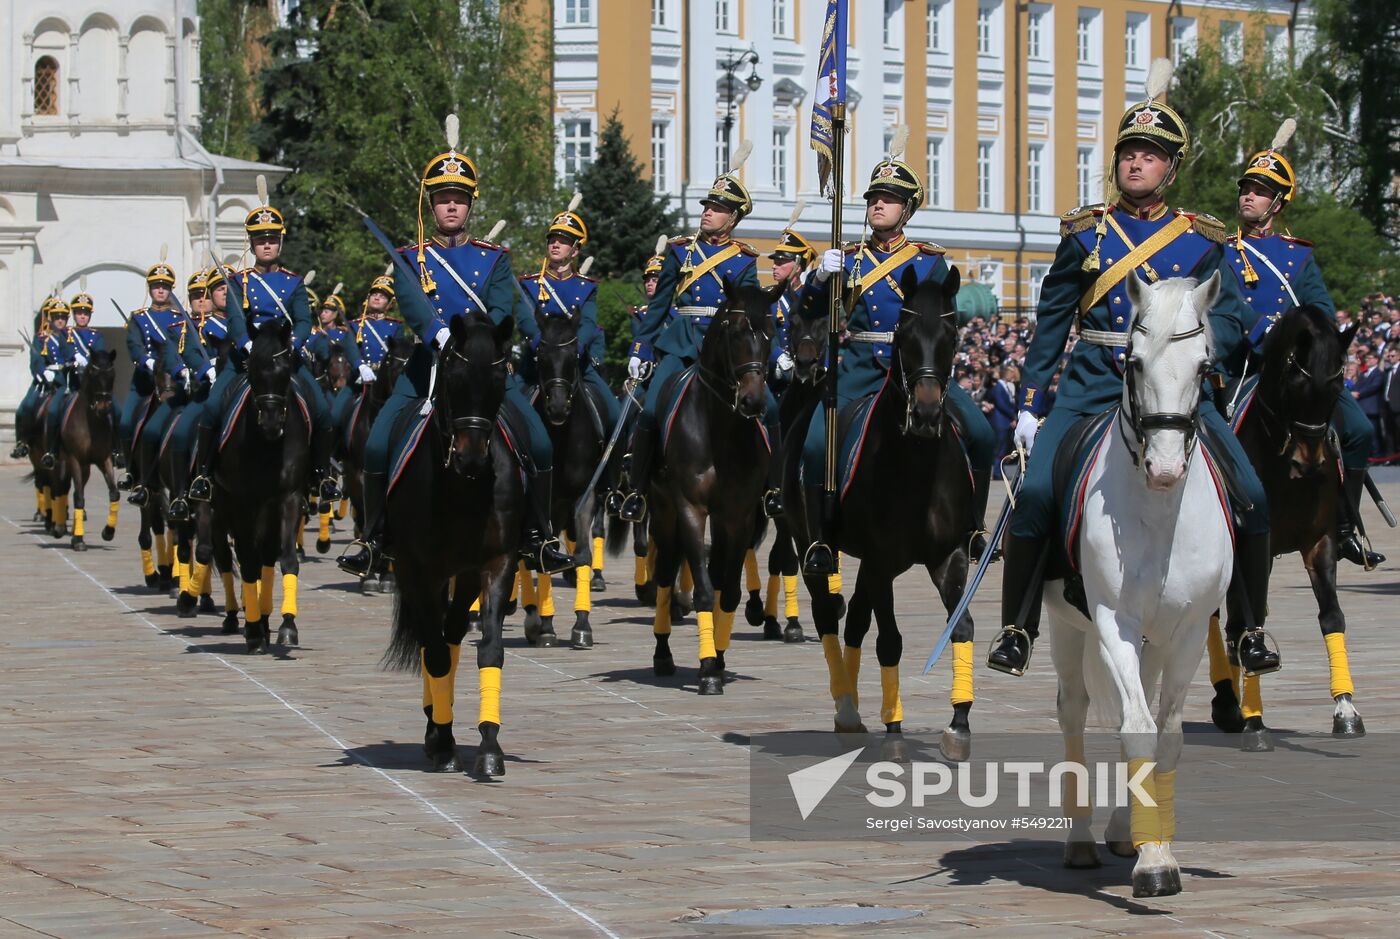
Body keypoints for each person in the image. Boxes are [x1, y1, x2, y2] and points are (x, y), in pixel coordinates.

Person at [986, 60, 1278, 677]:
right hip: (1092, 383)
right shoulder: (1085, 234)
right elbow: (1051, 323)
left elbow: (1232, 316)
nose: (1136, 164)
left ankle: (1250, 627)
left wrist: (1198, 352)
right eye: (1128, 154)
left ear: (1171, 169)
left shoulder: (1201, 241)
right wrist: (1032, 404)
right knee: (1033, 494)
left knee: (1251, 492)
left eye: (1150, 156)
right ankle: (1018, 626)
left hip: (1175, 393)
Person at [336, 116, 573, 578]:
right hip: (426, 369)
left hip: (482, 369)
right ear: (431, 204)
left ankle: (539, 536)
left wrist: (476, 341)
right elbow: (412, 304)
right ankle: (374, 538)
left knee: (541, 443)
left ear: (470, 205)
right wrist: (438, 334)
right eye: (443, 198)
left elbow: (501, 309)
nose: (451, 206)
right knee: (378, 444)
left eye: (459, 199)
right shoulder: (411, 258)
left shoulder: (494, 258)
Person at [796, 142, 995, 574]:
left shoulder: (929, 262)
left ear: (907, 210)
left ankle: (974, 527)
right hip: (862, 368)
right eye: (874, 197)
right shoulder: (849, 259)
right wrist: (819, 278)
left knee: (981, 433)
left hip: (918, 370)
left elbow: (944, 323)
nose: (878, 204)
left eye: (888, 199)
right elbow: (808, 312)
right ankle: (820, 539)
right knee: (814, 445)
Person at [1225, 118, 1384, 567]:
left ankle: (1344, 526)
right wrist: (1267, 336)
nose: (1248, 196)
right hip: (1251, 364)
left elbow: (1323, 310)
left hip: (1300, 369)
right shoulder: (1222, 250)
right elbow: (1226, 305)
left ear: (1277, 203)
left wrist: (1311, 343)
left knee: (1359, 430)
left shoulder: (1298, 254)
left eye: (1259, 191)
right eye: (1246, 188)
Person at [618, 145, 785, 523]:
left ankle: (772, 489)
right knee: (651, 409)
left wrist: (774, 354)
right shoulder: (679, 252)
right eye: (708, 205)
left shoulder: (744, 259)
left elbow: (753, 315)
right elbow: (659, 306)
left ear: (733, 217)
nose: (708, 211)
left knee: (771, 409)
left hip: (726, 349)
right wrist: (641, 348)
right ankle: (637, 492)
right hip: (681, 342)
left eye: (718, 207)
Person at [188, 181, 341, 508]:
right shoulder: (238, 281)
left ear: (280, 242)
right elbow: (234, 320)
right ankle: (204, 475)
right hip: (246, 360)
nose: (266, 245)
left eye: (271, 239)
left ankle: (321, 475)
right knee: (212, 408)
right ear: (252, 244)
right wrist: (247, 346)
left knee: (322, 412)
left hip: (285, 357)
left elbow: (303, 320)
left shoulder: (293, 283)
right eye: (260, 240)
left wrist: (294, 343)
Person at [519, 198, 619, 430]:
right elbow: (524, 319)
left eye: (563, 241)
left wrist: (577, 348)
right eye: (552, 239)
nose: (555, 244)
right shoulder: (530, 284)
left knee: (614, 416)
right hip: (535, 364)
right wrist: (539, 343)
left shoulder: (587, 286)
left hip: (576, 363)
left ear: (575, 251)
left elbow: (588, 322)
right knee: (508, 409)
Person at [127, 271, 217, 507]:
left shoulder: (225, 325)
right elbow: (169, 355)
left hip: (218, 392)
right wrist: (182, 371)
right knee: (149, 429)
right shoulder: (180, 327)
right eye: (195, 296)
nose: (201, 300)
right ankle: (147, 485)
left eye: (205, 295)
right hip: (185, 392)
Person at [118, 261, 183, 490]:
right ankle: (131, 471)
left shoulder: (180, 317)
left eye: (165, 286)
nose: (161, 290)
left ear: (170, 289)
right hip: (144, 382)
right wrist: (148, 361)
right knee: (126, 422)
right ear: (150, 289)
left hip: (173, 380)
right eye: (156, 286)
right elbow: (134, 346)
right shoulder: (138, 318)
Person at [39, 293, 107, 468]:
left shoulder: (97, 335)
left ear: (90, 315)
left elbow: (101, 355)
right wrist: (74, 357)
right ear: (74, 315)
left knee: (115, 411)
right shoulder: (65, 334)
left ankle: (115, 449)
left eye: (85, 313)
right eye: (78, 313)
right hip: (73, 384)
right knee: (53, 410)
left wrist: (90, 362)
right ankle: (52, 450)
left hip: (93, 386)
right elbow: (64, 351)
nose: (82, 316)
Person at [766, 214, 816, 398]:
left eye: (780, 263)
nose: (774, 267)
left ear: (798, 267)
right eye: (774, 262)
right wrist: (776, 356)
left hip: (806, 376)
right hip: (771, 377)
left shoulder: (811, 298)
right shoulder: (767, 297)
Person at [355, 273, 404, 368]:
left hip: (386, 373)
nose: (377, 298)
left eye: (382, 296)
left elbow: (399, 355)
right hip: (361, 374)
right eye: (374, 294)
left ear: (390, 303)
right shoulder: (355, 325)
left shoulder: (396, 326)